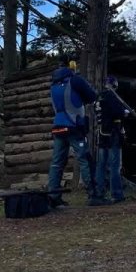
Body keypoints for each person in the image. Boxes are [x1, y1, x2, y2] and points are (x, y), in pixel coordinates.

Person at [47, 59, 103, 207]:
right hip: (73, 125)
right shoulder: (75, 80)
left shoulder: (53, 84)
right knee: (85, 159)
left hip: (58, 126)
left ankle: (53, 196)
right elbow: (91, 96)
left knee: (57, 162)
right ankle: (93, 194)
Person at [93, 75, 131, 203]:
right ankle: (116, 193)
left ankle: (99, 192)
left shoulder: (99, 97)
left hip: (101, 133)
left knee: (101, 165)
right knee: (115, 165)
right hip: (113, 133)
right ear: (114, 85)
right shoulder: (112, 96)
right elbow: (118, 112)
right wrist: (125, 112)